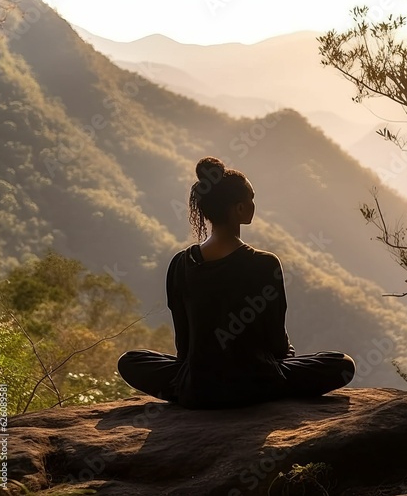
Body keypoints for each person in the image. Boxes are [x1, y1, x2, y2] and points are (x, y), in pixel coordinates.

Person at [117, 157, 355, 409]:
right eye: (251, 198)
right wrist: (282, 365)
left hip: (198, 387)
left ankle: (191, 386)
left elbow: (184, 344)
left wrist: (192, 372)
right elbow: (276, 341)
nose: (254, 204)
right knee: (341, 364)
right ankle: (273, 384)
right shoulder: (265, 265)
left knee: (130, 361)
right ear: (239, 209)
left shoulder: (181, 264)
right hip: (258, 385)